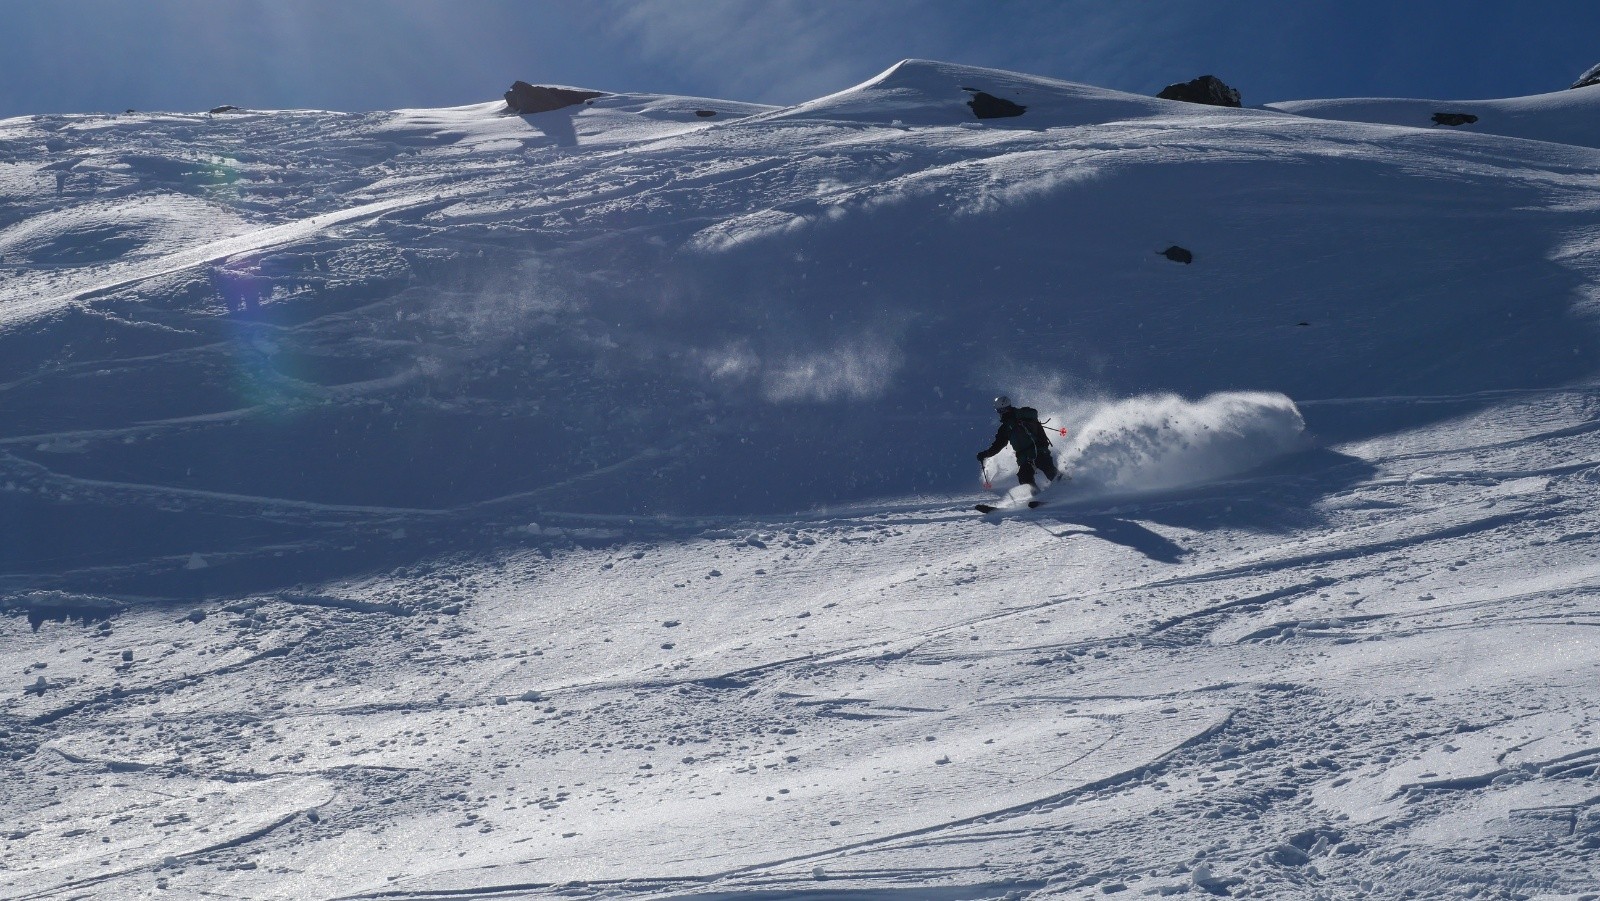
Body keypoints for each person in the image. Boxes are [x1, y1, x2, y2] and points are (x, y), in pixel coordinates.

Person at [976, 396, 1063, 492]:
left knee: (1048, 469)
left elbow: (1034, 413)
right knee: (1024, 477)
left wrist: (1018, 416)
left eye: (1000, 411)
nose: (1000, 413)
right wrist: (986, 454)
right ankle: (1037, 496)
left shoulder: (1023, 414)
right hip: (1024, 457)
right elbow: (998, 445)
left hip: (1038, 450)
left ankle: (1065, 485)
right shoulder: (1005, 428)